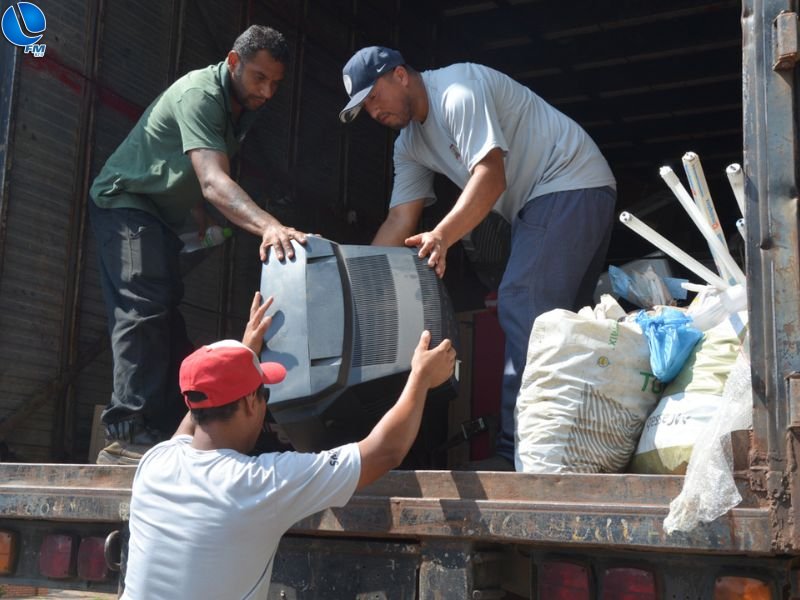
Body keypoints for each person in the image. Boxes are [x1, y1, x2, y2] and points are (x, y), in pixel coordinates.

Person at [339, 47, 616, 470]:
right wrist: (357, 286)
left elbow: (490, 177)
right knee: (562, 330)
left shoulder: (456, 91)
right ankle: (569, 449)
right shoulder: (409, 144)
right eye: (364, 108)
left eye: (373, 97)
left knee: (523, 302)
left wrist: (443, 236)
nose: (373, 112)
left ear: (399, 75)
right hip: (546, 201)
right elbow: (400, 218)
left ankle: (516, 454)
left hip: (568, 181)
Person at [120, 291, 456, 599]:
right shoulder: (258, 485)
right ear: (252, 403)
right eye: (264, 393)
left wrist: (242, 357)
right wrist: (421, 377)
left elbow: (194, 417)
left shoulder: (155, 463)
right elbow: (385, 451)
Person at [89, 25, 308, 465]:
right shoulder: (202, 95)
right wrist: (268, 226)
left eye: (275, 83)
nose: (267, 91)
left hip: (160, 218)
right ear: (233, 63)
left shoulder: (239, 109)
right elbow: (211, 179)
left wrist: (203, 223)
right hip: (126, 204)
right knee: (142, 310)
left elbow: (189, 173)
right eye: (259, 78)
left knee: (165, 315)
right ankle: (126, 435)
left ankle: (171, 435)